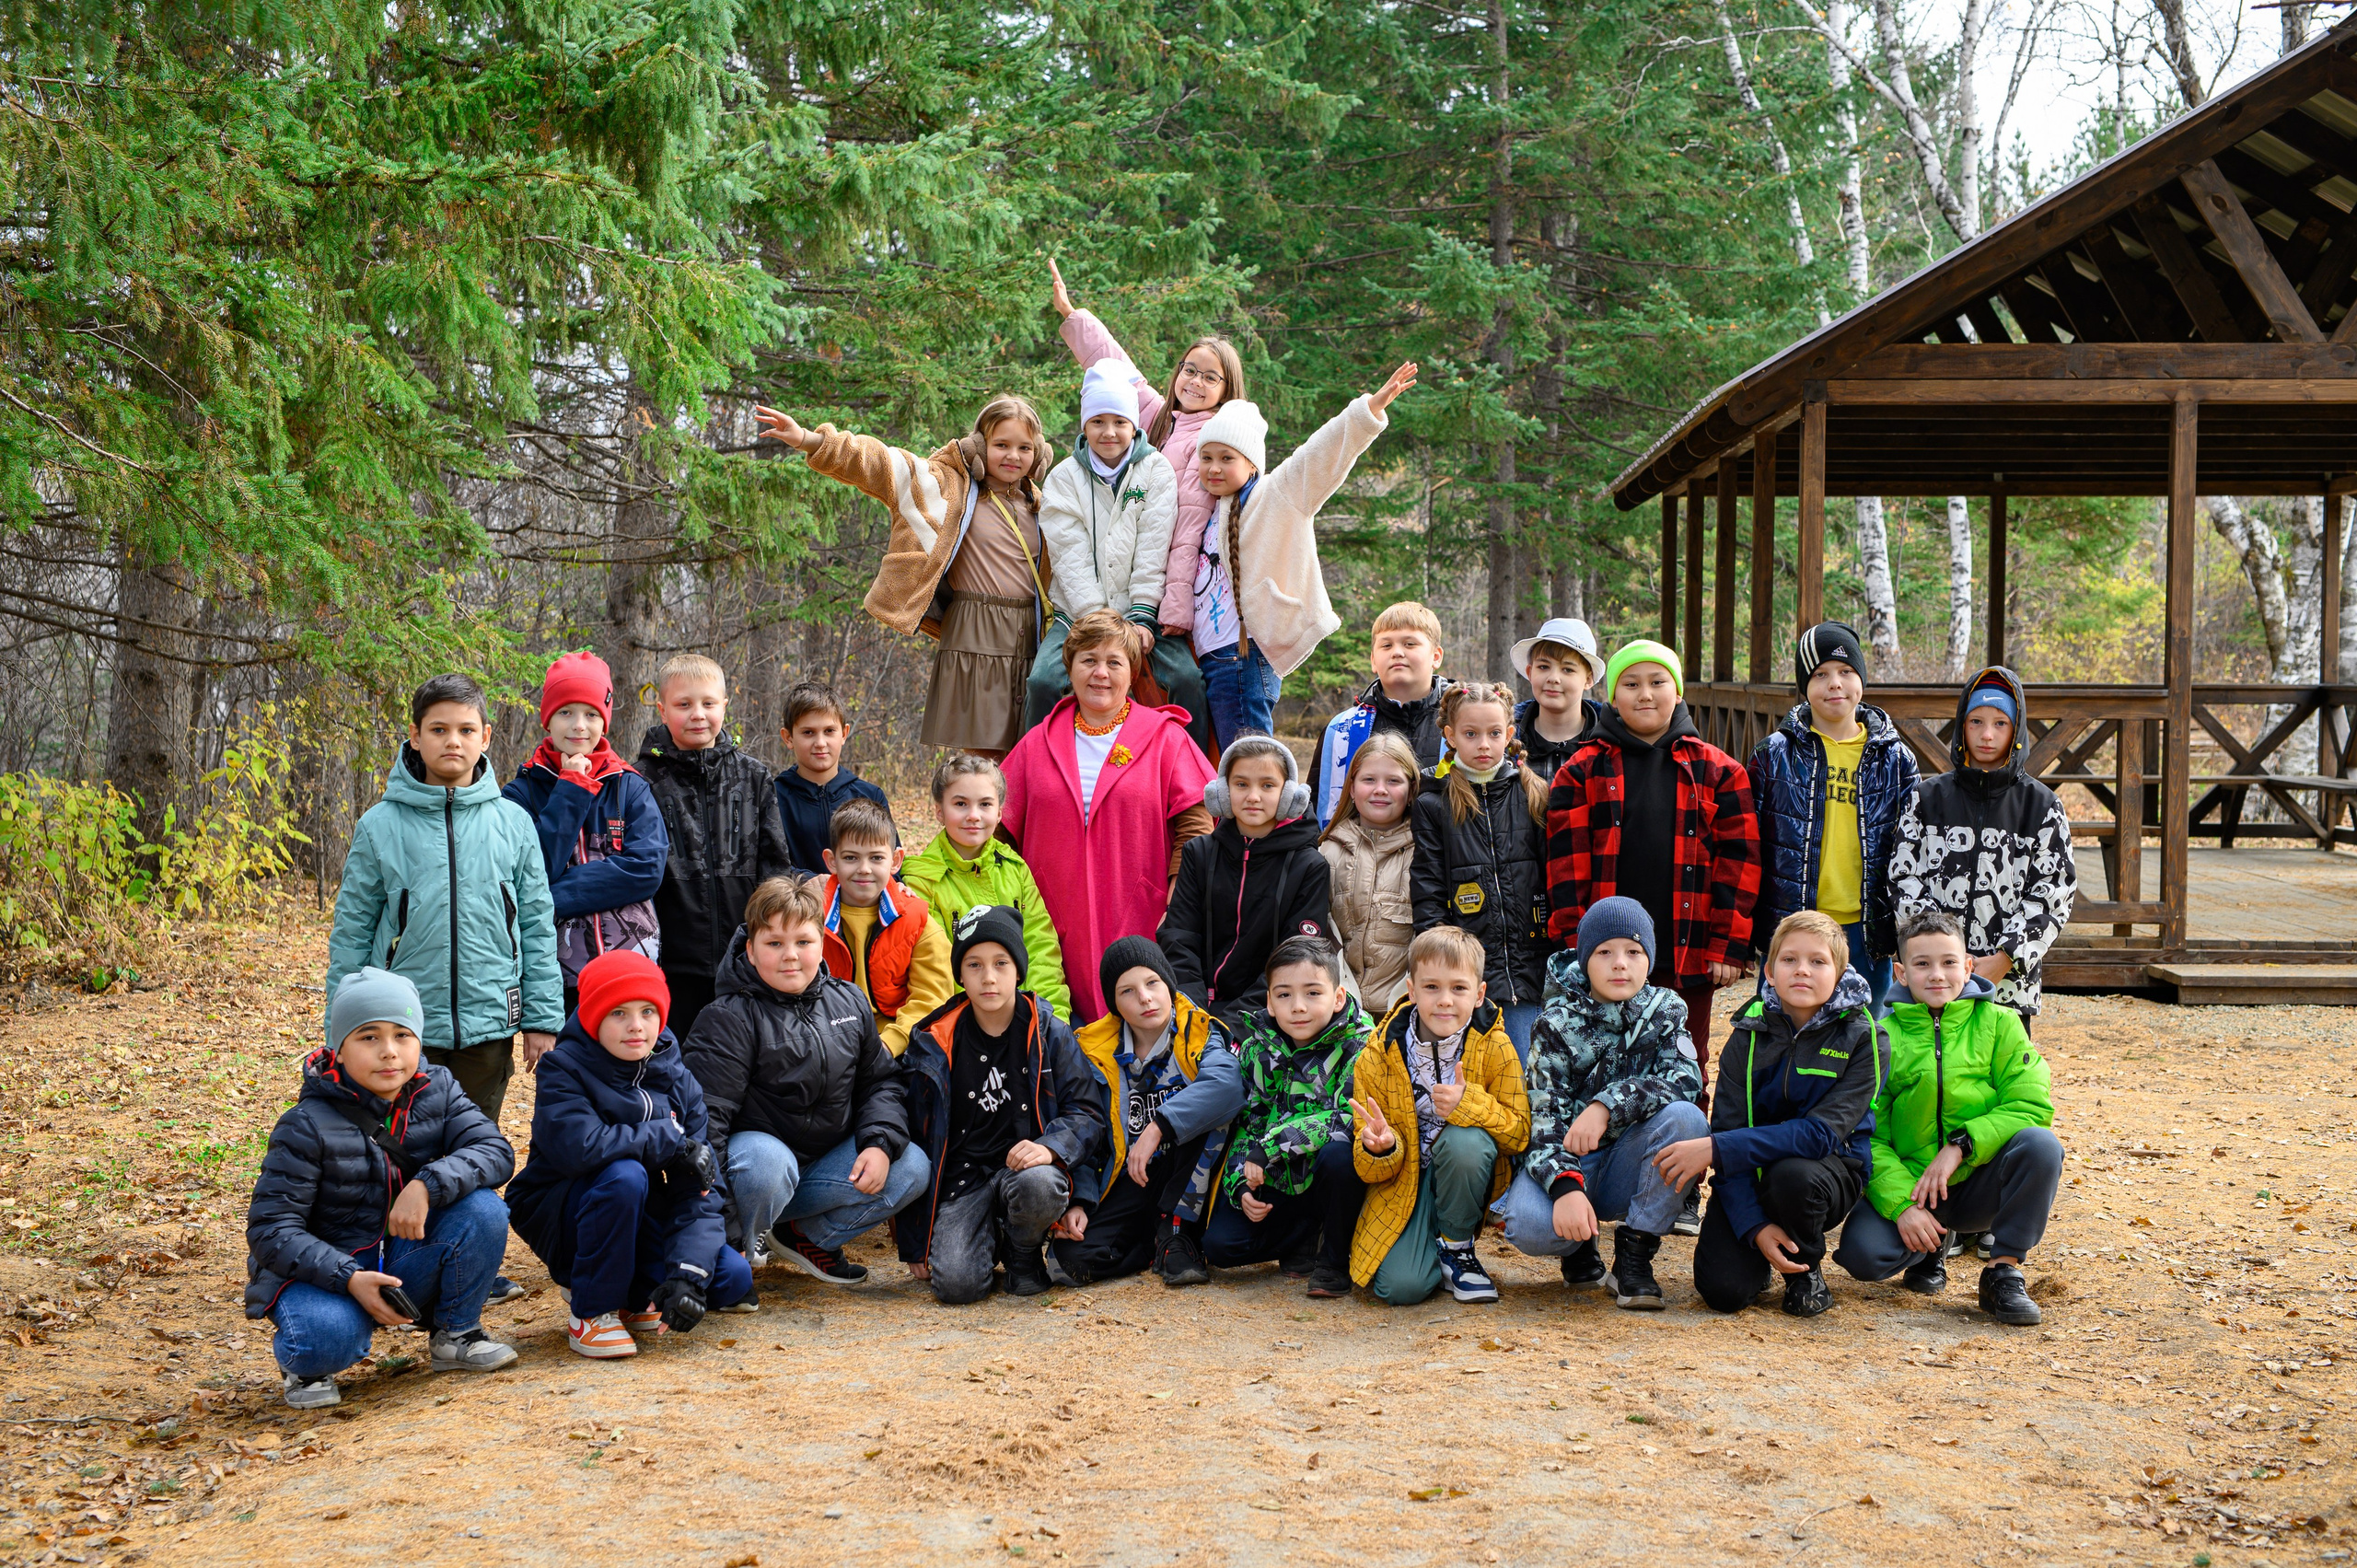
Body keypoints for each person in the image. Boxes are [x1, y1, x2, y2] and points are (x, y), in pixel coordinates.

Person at [245, 970, 517, 1408]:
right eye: (368, 1037)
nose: (390, 1052)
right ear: (340, 1047)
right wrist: (349, 1278)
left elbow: (494, 1151)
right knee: (324, 1340)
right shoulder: (305, 1124)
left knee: (483, 1209)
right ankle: (306, 1364)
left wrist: (427, 1184)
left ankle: (456, 1333)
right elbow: (270, 1230)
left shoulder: (438, 1089)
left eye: (403, 1035)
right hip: (328, 1274)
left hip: (403, 1256)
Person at [755, 395, 1052, 757]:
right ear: (978, 445)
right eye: (1001, 445)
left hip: (1031, 636)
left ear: (1038, 453)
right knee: (984, 765)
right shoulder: (945, 486)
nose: (1013, 456)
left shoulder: (1041, 505)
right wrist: (808, 439)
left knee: (1031, 756)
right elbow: (878, 464)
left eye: (1024, 448)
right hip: (976, 635)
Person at [327, 672, 562, 1132]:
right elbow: (352, 931)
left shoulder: (513, 823)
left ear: (485, 736)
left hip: (489, 1024)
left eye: (466, 730)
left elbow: (536, 923)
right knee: (398, 1148)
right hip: (399, 1028)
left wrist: (543, 1017)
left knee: (469, 1146)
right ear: (415, 736)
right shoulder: (379, 826)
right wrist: (342, 1025)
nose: (452, 741)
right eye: (438, 729)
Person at [1544, 638, 1759, 1119]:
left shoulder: (1719, 770)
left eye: (1658, 682)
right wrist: (1572, 944)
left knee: (1686, 1062)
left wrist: (1728, 946)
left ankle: (1679, 1172)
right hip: (1606, 956)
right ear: (1611, 697)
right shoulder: (1582, 771)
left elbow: (1739, 862)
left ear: (1677, 693)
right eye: (1631, 684)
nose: (1645, 694)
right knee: (1601, 1066)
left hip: (1688, 951)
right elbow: (1565, 866)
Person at [681, 877, 928, 1286]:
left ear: (822, 942)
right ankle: (732, 1256)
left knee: (911, 1166)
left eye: (803, 941)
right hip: (754, 1172)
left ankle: (806, 1237)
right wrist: (717, 1232)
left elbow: (879, 1084)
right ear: (751, 949)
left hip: (820, 1166)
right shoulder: (726, 1018)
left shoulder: (849, 1001)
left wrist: (879, 1143)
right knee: (766, 1163)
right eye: (774, 943)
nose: (790, 956)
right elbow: (704, 1129)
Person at [505, 952, 752, 1358]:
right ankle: (591, 1311)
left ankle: (632, 1298)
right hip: (565, 1208)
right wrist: (670, 1141)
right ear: (593, 1017)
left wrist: (687, 1276)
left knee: (729, 1277)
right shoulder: (564, 1069)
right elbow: (581, 1147)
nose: (636, 1026)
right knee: (624, 1174)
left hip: (642, 1213)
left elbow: (701, 1189)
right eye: (618, 1012)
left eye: (648, 1011)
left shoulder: (680, 1079)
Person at [1050, 259, 1245, 748]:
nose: (1196, 382)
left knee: (1185, 686)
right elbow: (1118, 371)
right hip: (1136, 578)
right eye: (1189, 370)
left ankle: (1192, 779)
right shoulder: (1157, 421)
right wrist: (1075, 317)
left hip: (1175, 595)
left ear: (1228, 389)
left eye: (1211, 378)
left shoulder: (1225, 434)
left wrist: (1158, 613)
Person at [1833, 910, 2060, 1327]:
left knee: (2042, 1147)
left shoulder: (2001, 1024)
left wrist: (1961, 1145)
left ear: (1969, 966)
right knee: (1863, 1258)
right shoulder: (1881, 1038)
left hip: (1978, 1181)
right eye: (1922, 964)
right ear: (1901, 973)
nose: (1937, 975)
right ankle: (1929, 1243)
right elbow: (1865, 1134)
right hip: (1916, 1185)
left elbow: (2031, 1105)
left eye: (1949, 962)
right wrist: (1903, 1204)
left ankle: (2002, 1271)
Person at [1187, 362, 1421, 748]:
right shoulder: (1212, 510)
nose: (1213, 468)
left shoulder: (1274, 495)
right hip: (1209, 657)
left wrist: (1367, 412)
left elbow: (1318, 455)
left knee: (1248, 765)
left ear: (1251, 463)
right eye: (1206, 457)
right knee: (1223, 766)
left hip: (1242, 659)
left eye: (1226, 458)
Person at [1000, 607, 1217, 1020]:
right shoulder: (1035, 743)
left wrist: (1176, 896)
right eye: (1089, 660)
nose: (1101, 672)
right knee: (1058, 1030)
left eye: (1114, 662)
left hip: (1139, 912)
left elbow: (1195, 824)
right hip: (1049, 919)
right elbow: (1001, 830)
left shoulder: (1165, 738)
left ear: (1132, 672)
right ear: (1071, 668)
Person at [1492, 899, 1707, 1310]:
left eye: (1633, 952)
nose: (1620, 964)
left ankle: (1635, 1254)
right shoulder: (1554, 1023)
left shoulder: (1667, 1009)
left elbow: (1685, 1080)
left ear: (1649, 959)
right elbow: (1543, 1119)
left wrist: (1607, 1105)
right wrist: (1566, 1188)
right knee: (1529, 1225)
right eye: (1605, 952)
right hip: (1577, 1161)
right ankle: (1577, 1246)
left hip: (1633, 1159)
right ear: (1586, 960)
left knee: (1687, 1120)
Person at [1680, 911, 1889, 1318]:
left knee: (1792, 1174)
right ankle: (1761, 1251)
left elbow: (1820, 1136)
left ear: (1841, 971)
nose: (1802, 971)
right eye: (1789, 960)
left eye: (1817, 961)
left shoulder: (1866, 1035)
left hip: (1826, 1171)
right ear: (1769, 972)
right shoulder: (1748, 1033)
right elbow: (1730, 1128)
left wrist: (1717, 1148)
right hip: (1751, 1174)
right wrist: (1754, 1227)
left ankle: (1804, 1269)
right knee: (1723, 1293)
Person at [897, 907, 1109, 1303]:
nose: (988, 977)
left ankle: (1023, 1251)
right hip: (964, 1179)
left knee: (1041, 1184)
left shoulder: (1050, 1032)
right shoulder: (934, 1039)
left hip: (1025, 1173)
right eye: (974, 965)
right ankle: (988, 1232)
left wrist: (1049, 1148)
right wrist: (916, 1239)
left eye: (1001, 963)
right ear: (960, 975)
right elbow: (917, 1137)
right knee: (956, 1287)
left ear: (1019, 971)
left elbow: (1088, 1114)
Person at [1347, 927, 1530, 1306]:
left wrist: (1468, 1105)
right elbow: (1370, 1170)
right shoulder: (1377, 1054)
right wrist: (1381, 1147)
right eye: (1431, 988)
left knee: (1467, 1140)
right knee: (1401, 1289)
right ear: (1411, 990)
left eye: (1459, 989)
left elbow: (1520, 1135)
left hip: (1464, 1176)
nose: (1444, 1001)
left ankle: (1457, 1247)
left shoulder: (1496, 1046)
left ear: (1479, 994)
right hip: (1404, 1182)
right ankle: (1428, 1243)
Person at [1026, 357, 1204, 739]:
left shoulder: (1155, 470)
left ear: (1134, 425)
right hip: (1078, 613)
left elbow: (1154, 549)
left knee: (1187, 680)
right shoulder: (1064, 478)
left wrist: (1141, 616)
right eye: (1097, 422)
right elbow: (1069, 556)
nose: (1109, 432)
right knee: (1043, 682)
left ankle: (1198, 785)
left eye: (1120, 422)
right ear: (1084, 425)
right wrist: (1097, 621)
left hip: (1141, 609)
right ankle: (1031, 780)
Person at [1747, 622, 1921, 1012]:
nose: (1834, 684)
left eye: (1846, 672)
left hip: (1867, 928)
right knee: (1784, 1031)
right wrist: (1748, 932)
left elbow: (1914, 847)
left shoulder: (1895, 758)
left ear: (1861, 680)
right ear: (1804, 687)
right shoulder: (1773, 754)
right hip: (1793, 926)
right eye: (1820, 675)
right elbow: (1750, 847)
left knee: (1868, 1037)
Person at [1889, 666, 2077, 1023]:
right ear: (1962, 726)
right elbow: (1903, 876)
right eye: (1976, 722)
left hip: (2007, 984)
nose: (1987, 734)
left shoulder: (2041, 806)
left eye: (2000, 723)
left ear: (2016, 729)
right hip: (1934, 980)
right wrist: (1942, 957)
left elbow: (2055, 890)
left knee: (2004, 1073)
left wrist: (2006, 957)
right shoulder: (1926, 799)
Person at [1060, 937, 1244, 1287]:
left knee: (1211, 1114)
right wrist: (1079, 1200)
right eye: (1127, 991)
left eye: (1152, 983)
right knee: (1069, 1260)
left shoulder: (1198, 1030)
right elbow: (1083, 1127)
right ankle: (1155, 1243)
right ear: (1114, 1004)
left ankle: (1177, 1233)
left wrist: (1159, 1125)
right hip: (1134, 1173)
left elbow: (1229, 1086)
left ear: (1168, 986)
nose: (1144, 998)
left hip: (1190, 1169)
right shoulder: (1095, 1052)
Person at [636, 653, 796, 1041]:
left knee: (745, 1056)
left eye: (708, 703)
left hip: (745, 958)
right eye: (683, 704)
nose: (697, 714)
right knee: (680, 1060)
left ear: (724, 705)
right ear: (661, 709)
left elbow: (775, 866)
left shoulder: (754, 777)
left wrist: (767, 940)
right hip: (673, 960)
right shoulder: (641, 781)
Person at [1201, 936, 1371, 1299]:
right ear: (1270, 1002)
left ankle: (1334, 1260)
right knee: (1220, 1247)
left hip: (1331, 1179)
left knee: (1340, 1155)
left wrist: (1273, 1146)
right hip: (1282, 1184)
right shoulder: (1256, 1050)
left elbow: (1346, 1118)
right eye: (1283, 995)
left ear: (1338, 997)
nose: (1298, 1007)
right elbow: (1248, 1122)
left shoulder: (1360, 1046)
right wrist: (1241, 1184)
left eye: (1312, 993)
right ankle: (1304, 1236)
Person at [503, 651, 668, 1017]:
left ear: (604, 722)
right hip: (558, 977)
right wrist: (572, 790)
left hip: (631, 967)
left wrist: (550, 897)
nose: (579, 725)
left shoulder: (629, 787)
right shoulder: (521, 794)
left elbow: (647, 869)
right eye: (566, 712)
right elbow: (534, 870)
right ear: (548, 719)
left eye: (591, 714)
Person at [1411, 682, 1550, 1063]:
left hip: (1533, 968)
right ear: (1451, 736)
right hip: (1469, 974)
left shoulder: (1534, 793)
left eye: (1493, 734)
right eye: (1471, 734)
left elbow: (1553, 879)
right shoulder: (1433, 803)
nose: (1484, 745)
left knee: (1531, 1072)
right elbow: (1428, 889)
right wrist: (1443, 965)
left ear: (1509, 734)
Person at [1159, 735, 1333, 1028]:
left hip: (1267, 1015)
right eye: (1241, 784)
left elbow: (1296, 957)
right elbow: (1179, 936)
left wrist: (1230, 1025)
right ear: (1222, 793)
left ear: (1290, 796)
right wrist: (1192, 1012)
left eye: (1267, 785)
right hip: (1193, 1009)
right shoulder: (1198, 854)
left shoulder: (1310, 866)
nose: (1253, 796)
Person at [899, 752, 1072, 1020]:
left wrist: (1050, 1019)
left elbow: (1041, 948)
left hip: (1025, 1017)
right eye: (960, 804)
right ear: (939, 811)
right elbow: (936, 969)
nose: (973, 816)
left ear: (1000, 812)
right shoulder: (922, 880)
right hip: (960, 1025)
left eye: (985, 805)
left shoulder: (1016, 869)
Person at [811, 798, 952, 1058]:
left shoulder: (917, 921)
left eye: (876, 858)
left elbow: (932, 997)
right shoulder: (809, 919)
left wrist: (887, 1047)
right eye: (851, 858)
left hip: (897, 1048)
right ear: (831, 861)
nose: (864, 869)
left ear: (896, 860)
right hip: (824, 1044)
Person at [1312, 601, 1452, 824]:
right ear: (1373, 660)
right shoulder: (1342, 730)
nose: (1397, 652)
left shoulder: (1460, 725)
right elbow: (1315, 811)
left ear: (1436, 656)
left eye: (1409, 644)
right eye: (1386, 646)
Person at [1318, 731, 1422, 1013]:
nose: (1380, 789)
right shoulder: (1327, 852)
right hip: (1338, 1012)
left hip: (1405, 1011)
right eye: (1369, 780)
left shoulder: (1425, 852)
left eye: (1393, 781)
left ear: (1411, 790)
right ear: (1351, 788)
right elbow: (1322, 936)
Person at [772, 680, 891, 877]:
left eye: (829, 731)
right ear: (788, 738)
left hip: (861, 903)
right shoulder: (774, 797)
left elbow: (889, 865)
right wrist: (810, 883)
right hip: (797, 904)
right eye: (808, 732)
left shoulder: (870, 795)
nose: (820, 743)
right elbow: (770, 866)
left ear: (844, 733)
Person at [1510, 618, 1607, 787]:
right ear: (1530, 672)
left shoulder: (1607, 741)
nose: (1553, 678)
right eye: (1544, 667)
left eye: (1568, 670)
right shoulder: (1505, 739)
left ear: (1588, 679)